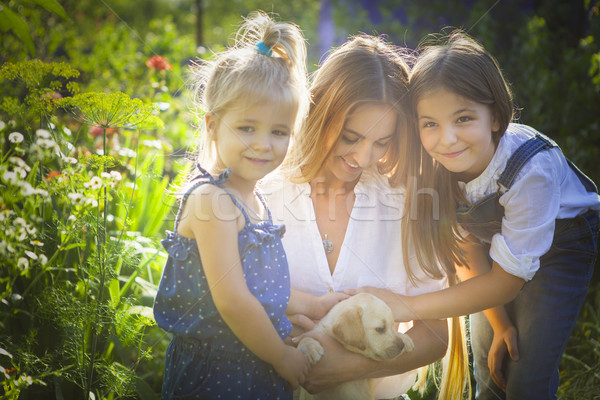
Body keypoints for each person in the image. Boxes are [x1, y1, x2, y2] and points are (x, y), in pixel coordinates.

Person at [348, 30, 600, 399]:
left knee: (526, 373)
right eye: (430, 123)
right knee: (490, 364)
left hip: (562, 247)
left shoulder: (531, 171)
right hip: (493, 250)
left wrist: (405, 305)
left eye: (463, 118)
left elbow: (506, 281)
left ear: (495, 117)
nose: (446, 139)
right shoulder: (434, 167)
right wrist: (499, 322)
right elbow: (464, 245)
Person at [260, 35, 469, 400]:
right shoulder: (264, 193)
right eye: (349, 137)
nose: (362, 157)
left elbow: (436, 334)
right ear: (319, 113)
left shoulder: (404, 204)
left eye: (381, 142)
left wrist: (351, 367)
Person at [153, 12, 345, 400]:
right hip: (217, 374)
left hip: (254, 367)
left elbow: (261, 286)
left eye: (279, 132)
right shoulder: (213, 202)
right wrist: (280, 357)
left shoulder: (254, 198)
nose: (263, 144)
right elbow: (235, 301)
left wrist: (315, 304)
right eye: (247, 128)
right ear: (211, 124)